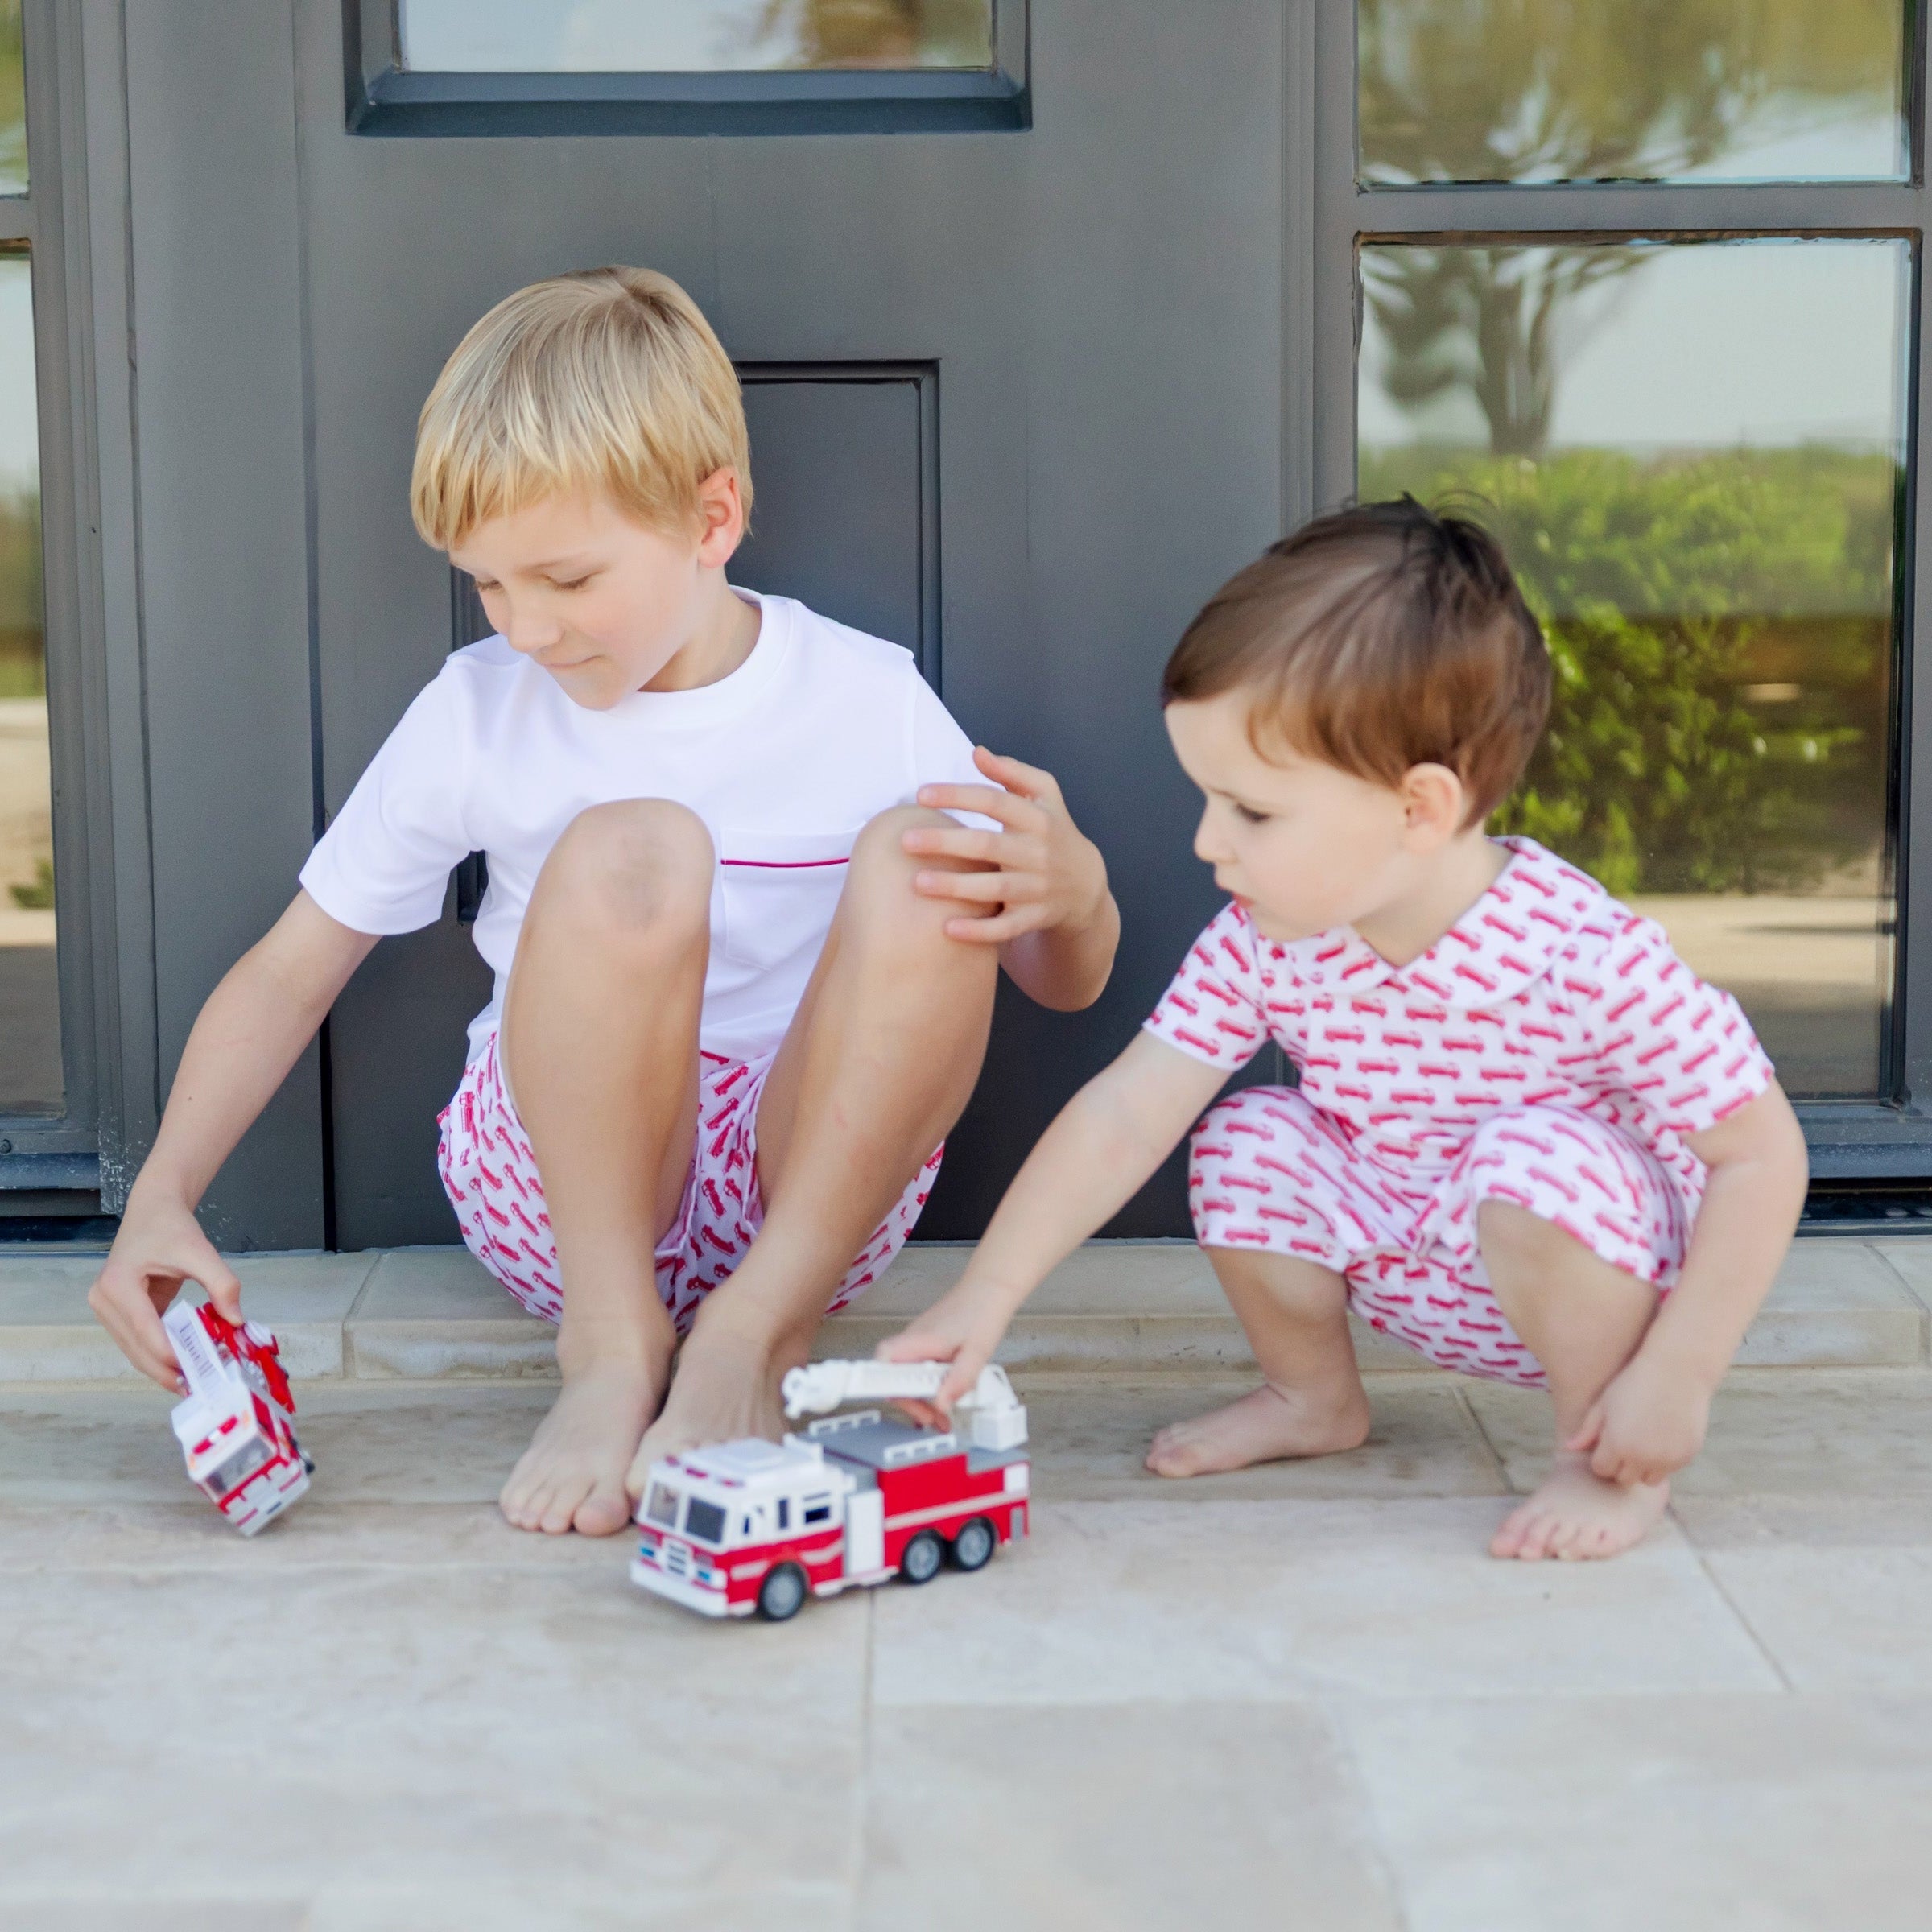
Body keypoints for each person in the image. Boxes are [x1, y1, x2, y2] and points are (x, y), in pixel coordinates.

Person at [88, 266, 1120, 1537]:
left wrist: (1075, 894)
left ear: (713, 518)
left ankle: (755, 1333)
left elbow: (1058, 980)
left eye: (566, 580)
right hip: (565, 1190)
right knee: (637, 848)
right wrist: (161, 1194)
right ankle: (612, 1347)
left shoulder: (868, 700)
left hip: (810, 1194)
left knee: (928, 855)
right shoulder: (479, 710)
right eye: (490, 585)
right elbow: (295, 964)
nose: (525, 629)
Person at [881, 499, 1807, 1562]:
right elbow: (1130, 1113)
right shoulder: (1266, 939)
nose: (1205, 843)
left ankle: (1602, 1455)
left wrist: (1678, 1372)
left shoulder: (1585, 955)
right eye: (1208, 799)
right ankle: (1312, 1399)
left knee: (1530, 1160)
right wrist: (984, 1295)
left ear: (1418, 809)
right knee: (1249, 1138)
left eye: (1253, 812)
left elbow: (1762, 1155)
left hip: (1582, 1268)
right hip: (1414, 1248)